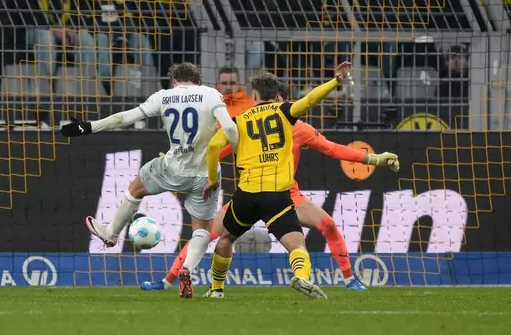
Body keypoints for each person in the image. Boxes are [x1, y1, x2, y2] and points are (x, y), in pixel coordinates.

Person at [140, 82, 400, 293]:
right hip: (274, 194)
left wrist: (181, 165)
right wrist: (374, 159)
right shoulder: (283, 118)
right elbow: (221, 150)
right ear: (277, 98)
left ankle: (348, 278)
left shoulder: (292, 127)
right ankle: (167, 280)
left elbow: (332, 149)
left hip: (279, 194)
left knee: (328, 225)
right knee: (211, 234)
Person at [60, 62, 239, 299]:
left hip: (171, 168)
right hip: (205, 175)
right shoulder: (211, 95)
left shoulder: (164, 97)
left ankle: (111, 233)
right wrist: (240, 157)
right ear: (197, 79)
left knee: (135, 189)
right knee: (202, 229)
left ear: (175, 80)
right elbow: (229, 127)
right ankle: (187, 270)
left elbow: (125, 117)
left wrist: (90, 126)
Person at [203, 64, 354, 300]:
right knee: (297, 245)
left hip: (247, 194)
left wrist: (212, 179)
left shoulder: (238, 120)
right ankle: (301, 277)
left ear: (254, 96)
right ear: (275, 96)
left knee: (225, 239)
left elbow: (212, 147)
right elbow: (310, 100)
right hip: (276, 195)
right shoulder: (285, 112)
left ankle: (216, 289)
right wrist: (336, 81)